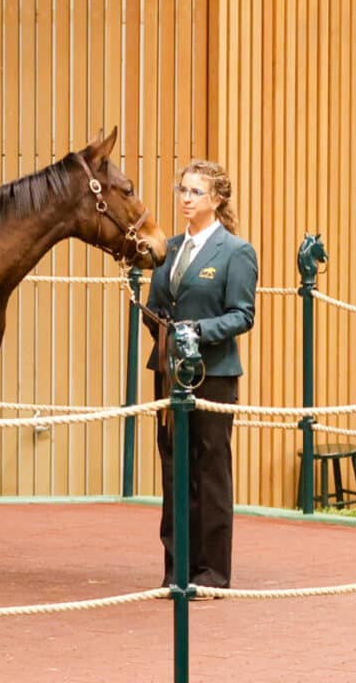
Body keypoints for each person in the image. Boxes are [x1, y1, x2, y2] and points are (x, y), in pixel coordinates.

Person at [145, 159, 258, 592]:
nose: (186, 198)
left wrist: (197, 331)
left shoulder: (235, 252)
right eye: (183, 190)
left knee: (210, 471)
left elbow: (242, 315)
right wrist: (160, 325)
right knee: (174, 469)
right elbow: (157, 307)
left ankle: (212, 573)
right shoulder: (167, 249)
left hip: (213, 374)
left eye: (195, 191)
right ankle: (177, 570)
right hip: (170, 372)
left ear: (217, 199)